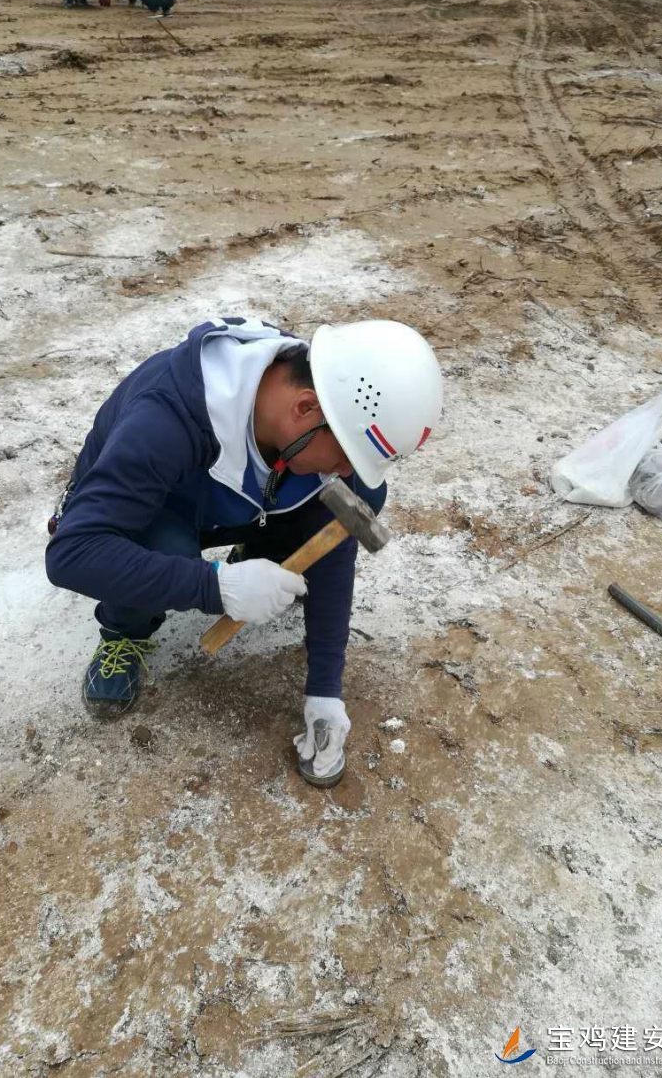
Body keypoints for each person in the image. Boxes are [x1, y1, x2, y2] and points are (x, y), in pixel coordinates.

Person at [45, 317, 442, 787]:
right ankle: (123, 632)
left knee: (361, 495)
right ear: (305, 408)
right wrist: (216, 587)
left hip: (234, 497)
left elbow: (333, 542)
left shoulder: (309, 401)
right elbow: (73, 553)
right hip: (157, 506)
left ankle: (258, 556)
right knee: (164, 548)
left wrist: (325, 691)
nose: (342, 469)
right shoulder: (164, 419)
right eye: (344, 455)